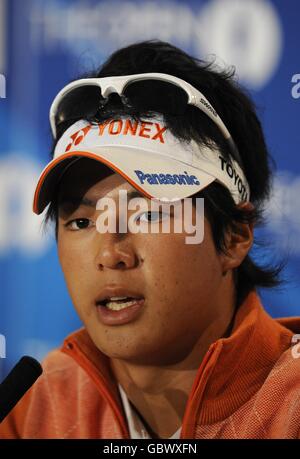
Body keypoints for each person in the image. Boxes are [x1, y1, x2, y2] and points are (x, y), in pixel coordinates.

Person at [1, 40, 300, 439]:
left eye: (148, 214)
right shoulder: (36, 406)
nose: (110, 254)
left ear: (233, 236)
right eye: (80, 221)